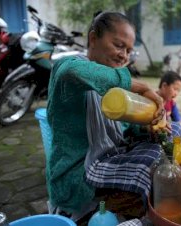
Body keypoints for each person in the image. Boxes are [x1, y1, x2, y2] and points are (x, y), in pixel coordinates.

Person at [46, 11, 168, 222]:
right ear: (93, 38)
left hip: (106, 158)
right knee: (150, 171)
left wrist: (145, 126)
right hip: (76, 175)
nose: (124, 56)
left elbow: (121, 127)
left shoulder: (111, 87)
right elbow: (72, 71)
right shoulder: (68, 69)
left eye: (129, 51)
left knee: (168, 145)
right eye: (119, 45)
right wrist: (140, 86)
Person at [156, 71, 181, 136]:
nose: (176, 93)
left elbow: (179, 121)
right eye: (175, 89)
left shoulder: (171, 104)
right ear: (164, 86)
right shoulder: (152, 100)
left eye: (178, 90)